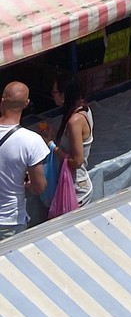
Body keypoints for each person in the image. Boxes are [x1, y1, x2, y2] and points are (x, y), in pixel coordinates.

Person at [0, 81, 50, 238]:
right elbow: (39, 187)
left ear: (2, 100)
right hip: (10, 220)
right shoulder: (32, 141)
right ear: (27, 104)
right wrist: (28, 184)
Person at [40, 71, 94, 210]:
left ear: (64, 94)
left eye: (54, 92)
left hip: (76, 189)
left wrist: (51, 145)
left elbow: (76, 161)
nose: (52, 95)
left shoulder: (74, 121)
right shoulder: (84, 109)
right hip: (76, 184)